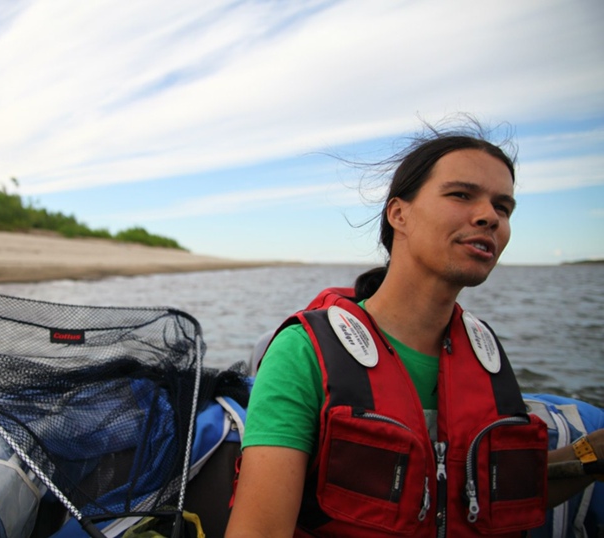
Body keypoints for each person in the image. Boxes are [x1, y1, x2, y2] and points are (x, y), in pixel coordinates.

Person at [225, 121, 604, 537]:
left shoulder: (485, 353)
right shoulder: (304, 353)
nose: (489, 217)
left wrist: (589, 455)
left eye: (503, 207)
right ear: (399, 213)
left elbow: (492, 497)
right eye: (461, 194)